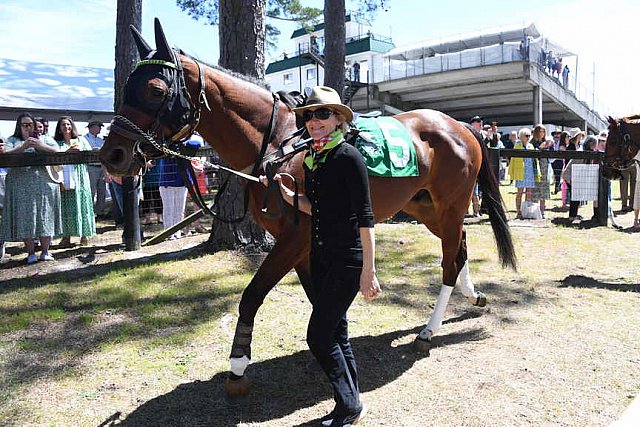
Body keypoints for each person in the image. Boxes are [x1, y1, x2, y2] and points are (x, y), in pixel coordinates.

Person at [260, 86, 380, 426]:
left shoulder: (348, 157)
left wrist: (368, 271)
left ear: (339, 118)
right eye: (309, 116)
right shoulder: (315, 158)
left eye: (322, 114)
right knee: (337, 331)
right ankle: (352, 400)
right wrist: (287, 195)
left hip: (348, 260)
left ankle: (348, 407)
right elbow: (318, 209)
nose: (314, 121)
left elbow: (365, 217)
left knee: (319, 336)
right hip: (323, 256)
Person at [0, 113, 62, 264]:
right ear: (19, 127)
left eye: (31, 125)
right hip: (20, 185)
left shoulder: (45, 139)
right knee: (25, 218)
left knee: (45, 216)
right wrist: (23, 146)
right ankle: (30, 253)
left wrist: (40, 146)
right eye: (25, 125)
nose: (28, 128)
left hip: (44, 184)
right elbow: (5, 155)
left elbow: (58, 152)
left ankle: (45, 252)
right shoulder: (12, 140)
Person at [53, 116, 96, 247]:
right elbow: (53, 158)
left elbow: (89, 154)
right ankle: (66, 237)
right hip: (64, 178)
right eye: (63, 125)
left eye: (68, 124)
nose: (66, 127)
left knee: (83, 204)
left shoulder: (80, 140)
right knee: (66, 207)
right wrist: (66, 152)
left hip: (80, 176)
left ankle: (85, 236)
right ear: (59, 129)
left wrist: (82, 152)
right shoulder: (56, 143)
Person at [157, 133, 203, 239]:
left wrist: (184, 143)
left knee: (180, 210)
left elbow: (198, 142)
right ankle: (168, 233)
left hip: (183, 182)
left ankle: (177, 232)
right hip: (167, 182)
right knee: (169, 209)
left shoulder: (187, 141)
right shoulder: (166, 142)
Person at [508, 128, 537, 219]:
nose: (528, 138)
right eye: (526, 136)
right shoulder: (517, 145)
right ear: (521, 137)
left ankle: (526, 211)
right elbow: (514, 159)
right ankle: (518, 211)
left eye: (529, 136)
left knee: (529, 193)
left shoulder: (531, 146)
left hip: (529, 172)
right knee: (519, 192)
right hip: (520, 172)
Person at [83, 120, 108, 217]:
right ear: (92, 127)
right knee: (91, 190)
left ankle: (100, 211)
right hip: (91, 166)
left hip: (101, 166)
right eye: (99, 127)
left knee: (102, 190)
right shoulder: (84, 139)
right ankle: (90, 212)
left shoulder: (100, 140)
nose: (100, 129)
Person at [530, 125, 552, 217]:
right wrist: (540, 147)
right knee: (535, 187)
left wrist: (549, 146)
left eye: (543, 131)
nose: (542, 133)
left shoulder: (546, 141)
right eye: (540, 131)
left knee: (544, 186)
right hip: (535, 165)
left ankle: (542, 211)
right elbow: (532, 152)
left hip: (545, 165)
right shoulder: (532, 141)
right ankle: (535, 211)